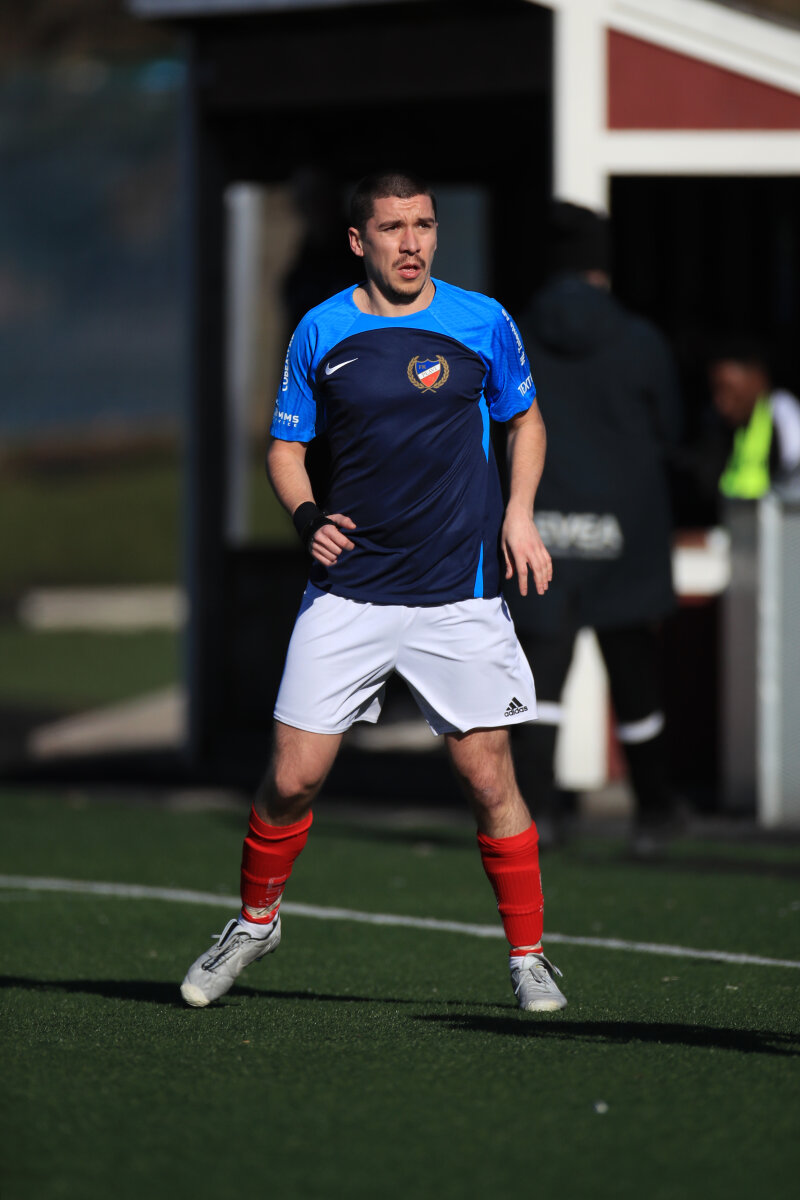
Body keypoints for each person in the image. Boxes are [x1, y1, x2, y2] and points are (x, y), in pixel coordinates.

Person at [181, 170, 567, 1013]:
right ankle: (255, 922)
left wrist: (520, 515)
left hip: (458, 594)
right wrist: (306, 515)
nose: (412, 242)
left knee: (488, 779)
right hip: (350, 592)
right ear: (359, 240)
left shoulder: (483, 320)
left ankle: (530, 956)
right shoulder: (320, 329)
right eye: (393, 228)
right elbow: (286, 449)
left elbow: (525, 419)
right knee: (292, 779)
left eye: (423, 224)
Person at [506, 201, 684, 853]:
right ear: (602, 270)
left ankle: (538, 818)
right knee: (635, 684)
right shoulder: (640, 341)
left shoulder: (513, 338)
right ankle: (654, 817)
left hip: (541, 532)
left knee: (538, 685)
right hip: (627, 535)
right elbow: (670, 432)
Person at [709, 339, 800, 500]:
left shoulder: (781, 411)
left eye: (729, 389)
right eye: (717, 391)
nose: (721, 402)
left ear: (757, 379)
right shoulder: (728, 428)